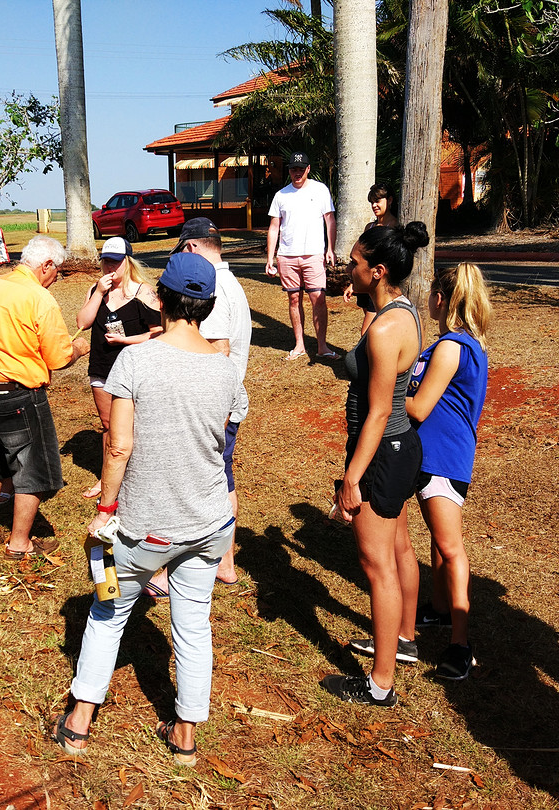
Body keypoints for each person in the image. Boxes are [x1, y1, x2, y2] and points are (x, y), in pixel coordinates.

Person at [50, 252, 247, 765]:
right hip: (207, 525)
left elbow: (118, 446)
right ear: (205, 307)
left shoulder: (136, 361)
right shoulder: (226, 371)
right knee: (193, 624)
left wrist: (106, 509)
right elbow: (222, 438)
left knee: (107, 612)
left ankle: (78, 724)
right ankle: (184, 736)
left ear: (159, 300)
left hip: (142, 527)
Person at [348, 262, 491, 681]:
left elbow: (418, 407)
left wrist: (392, 389)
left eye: (432, 294)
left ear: (441, 300)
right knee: (423, 547)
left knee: (449, 548)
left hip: (443, 458)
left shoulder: (451, 347)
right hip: (425, 455)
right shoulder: (455, 343)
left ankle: (460, 645)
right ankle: (421, 625)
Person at [321, 222, 429, 707]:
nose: (350, 267)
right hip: (401, 448)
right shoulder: (400, 310)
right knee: (400, 548)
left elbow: (381, 409)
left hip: (383, 451)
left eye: (357, 262)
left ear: (378, 270)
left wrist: (352, 476)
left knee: (376, 563)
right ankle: (404, 636)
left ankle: (380, 683)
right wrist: (363, 301)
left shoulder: (386, 329)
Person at [144, 217, 252, 596]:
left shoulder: (216, 286)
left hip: (210, 408)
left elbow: (218, 349)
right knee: (221, 480)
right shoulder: (228, 281)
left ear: (191, 248)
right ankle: (225, 562)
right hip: (221, 407)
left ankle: (174, 571)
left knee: (193, 487)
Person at [0, 235, 90, 557]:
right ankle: (19, 543)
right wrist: (79, 348)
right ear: (46, 265)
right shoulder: (39, 298)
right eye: (57, 271)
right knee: (32, 471)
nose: (57, 277)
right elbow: (58, 359)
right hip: (17, 394)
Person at [74, 236, 161, 499]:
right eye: (106, 262)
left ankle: (138, 477)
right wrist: (99, 293)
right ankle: (106, 478)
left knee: (136, 426)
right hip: (102, 367)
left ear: (128, 262)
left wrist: (125, 340)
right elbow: (82, 322)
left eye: (116, 262)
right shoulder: (96, 290)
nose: (110, 268)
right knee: (108, 425)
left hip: (135, 370)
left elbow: (159, 333)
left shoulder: (143, 291)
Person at [265, 151, 338, 361]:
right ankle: (299, 345)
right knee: (294, 298)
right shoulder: (281, 195)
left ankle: (322, 346)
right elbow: (274, 227)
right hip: (287, 256)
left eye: (300, 169)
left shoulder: (320, 190)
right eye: (293, 169)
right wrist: (271, 258)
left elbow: (330, 220)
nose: (297, 173)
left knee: (318, 298)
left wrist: (330, 249)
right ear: (289, 171)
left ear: (308, 169)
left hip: (314, 254)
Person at [344, 182, 400, 335]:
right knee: (373, 328)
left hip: (381, 284)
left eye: (378, 201)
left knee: (367, 332)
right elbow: (360, 258)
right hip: (366, 283)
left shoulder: (395, 227)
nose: (374, 205)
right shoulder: (369, 227)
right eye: (372, 202)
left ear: (389, 200)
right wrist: (353, 284)